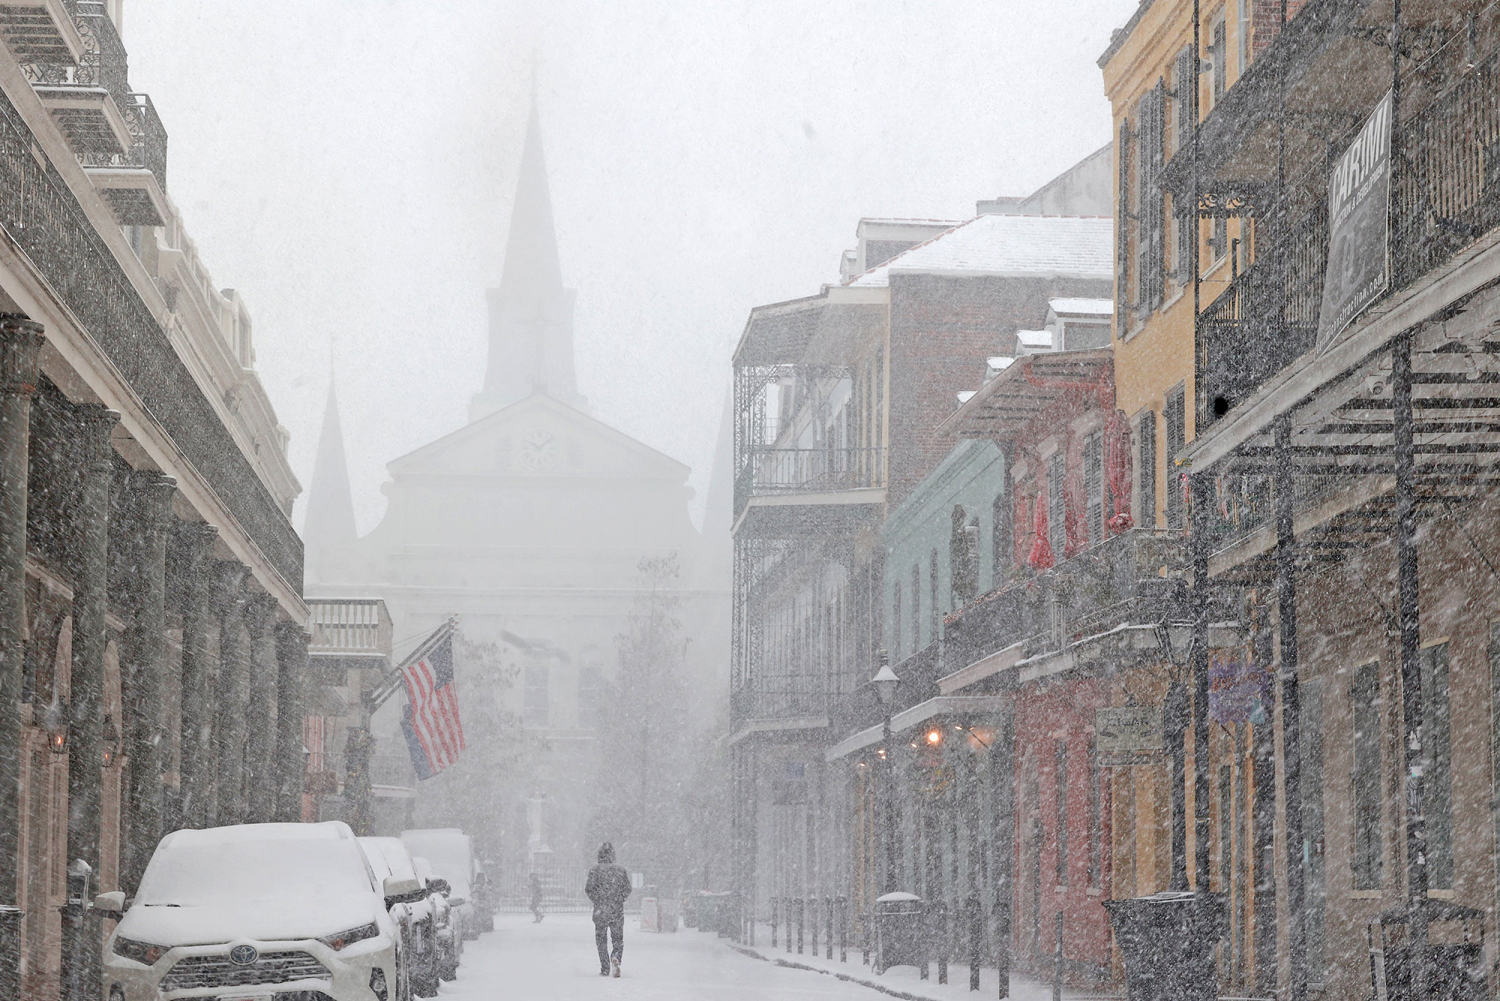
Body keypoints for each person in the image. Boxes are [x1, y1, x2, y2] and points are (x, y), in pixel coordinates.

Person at [584, 842, 631, 977]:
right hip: (616, 910)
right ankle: (616, 957)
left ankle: (605, 967)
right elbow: (627, 889)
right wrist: (619, 899)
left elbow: (588, 889)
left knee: (601, 939)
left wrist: (598, 900)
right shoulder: (620, 870)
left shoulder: (594, 870)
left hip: (600, 911)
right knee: (617, 939)